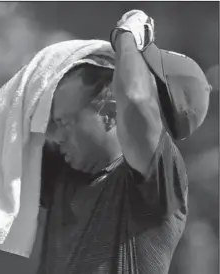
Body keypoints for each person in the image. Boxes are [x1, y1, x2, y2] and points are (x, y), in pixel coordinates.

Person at [38, 10, 211, 274]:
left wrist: (127, 36)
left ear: (110, 112)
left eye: (66, 124)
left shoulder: (156, 184)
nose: (57, 135)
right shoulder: (69, 165)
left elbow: (135, 100)